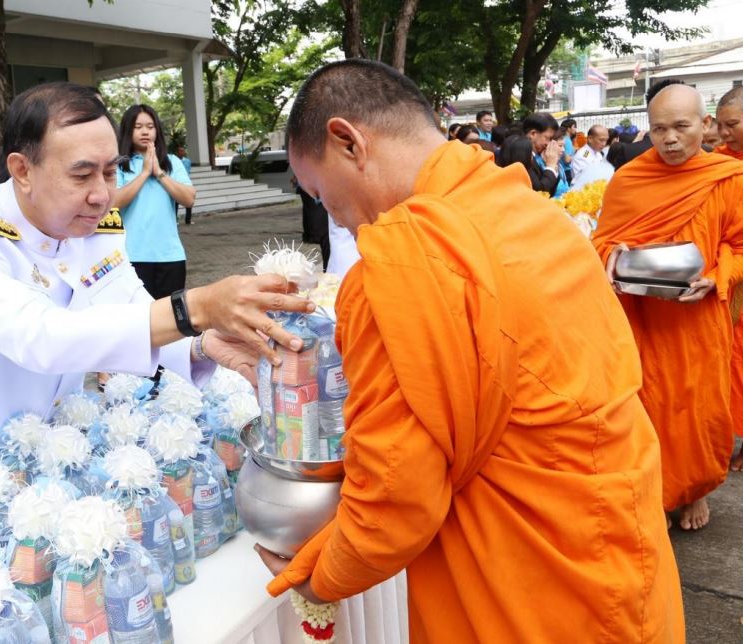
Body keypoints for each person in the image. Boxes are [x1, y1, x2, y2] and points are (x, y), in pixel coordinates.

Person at [258, 59, 682, 643]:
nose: (340, 220)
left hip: (526, 593)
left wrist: (320, 576)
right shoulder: (535, 212)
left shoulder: (403, 264)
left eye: (322, 195)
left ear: (348, 141)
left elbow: (395, 496)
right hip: (621, 543)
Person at [0, 83, 312, 488]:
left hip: (47, 458)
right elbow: (40, 337)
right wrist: (195, 308)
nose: (102, 195)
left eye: (110, 172)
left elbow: (130, 305)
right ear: (22, 170)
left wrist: (201, 344)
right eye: (81, 175)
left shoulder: (94, 228)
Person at [593, 83, 742, 531]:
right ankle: (655, 490)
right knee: (649, 405)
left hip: (699, 317)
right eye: (659, 129)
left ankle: (695, 490)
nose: (670, 139)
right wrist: (614, 256)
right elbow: (599, 244)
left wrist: (717, 277)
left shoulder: (728, 178)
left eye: (681, 126)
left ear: (706, 125)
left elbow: (739, 245)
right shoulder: (630, 179)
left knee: (699, 408)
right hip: (646, 320)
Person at [112, 104, 196, 298]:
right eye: (138, 126)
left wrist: (158, 173)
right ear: (128, 130)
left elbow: (189, 198)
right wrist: (144, 174)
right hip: (132, 256)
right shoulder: (119, 164)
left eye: (150, 126)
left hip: (170, 255)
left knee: (171, 319)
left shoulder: (172, 162)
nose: (145, 131)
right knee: (138, 319)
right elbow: (113, 202)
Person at [715, 86, 744, 471]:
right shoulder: (717, 167)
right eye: (719, 125)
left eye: (732, 124)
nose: (723, 134)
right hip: (731, 276)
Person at [523, 112, 569, 198]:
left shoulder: (537, 155)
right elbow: (539, 193)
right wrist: (551, 166)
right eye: (548, 138)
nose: (549, 144)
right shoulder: (522, 153)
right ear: (533, 134)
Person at [175, 145, 195, 225]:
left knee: (189, 202)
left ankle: (188, 220)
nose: (181, 152)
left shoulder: (187, 161)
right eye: (180, 151)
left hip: (185, 183)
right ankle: (175, 221)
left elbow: (188, 171)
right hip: (176, 183)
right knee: (175, 204)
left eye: (183, 151)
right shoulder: (174, 161)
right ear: (177, 152)